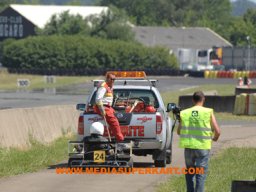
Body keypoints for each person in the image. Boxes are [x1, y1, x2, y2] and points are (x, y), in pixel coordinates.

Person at [177, 91, 220, 192]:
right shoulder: (208, 112)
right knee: (200, 174)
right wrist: (215, 138)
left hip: (188, 147)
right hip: (202, 147)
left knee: (189, 172)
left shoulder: (185, 112)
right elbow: (218, 131)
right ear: (203, 99)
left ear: (193, 100)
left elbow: (179, 131)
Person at [94, 73, 124, 142]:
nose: (113, 81)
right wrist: (102, 110)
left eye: (114, 79)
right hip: (102, 106)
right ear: (107, 79)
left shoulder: (109, 87)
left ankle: (117, 135)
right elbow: (98, 99)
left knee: (116, 115)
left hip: (108, 107)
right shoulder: (103, 86)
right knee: (114, 122)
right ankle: (120, 140)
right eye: (111, 79)